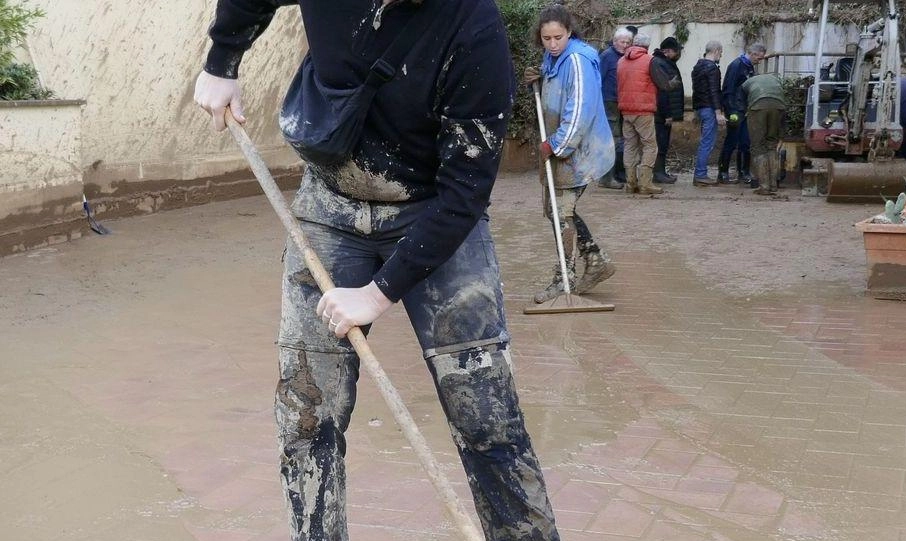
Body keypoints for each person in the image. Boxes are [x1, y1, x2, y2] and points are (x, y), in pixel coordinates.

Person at [193, 1, 562, 539]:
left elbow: (466, 191)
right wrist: (222, 61)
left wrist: (379, 291)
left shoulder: (474, 27)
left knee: (486, 416)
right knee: (306, 417)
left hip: (435, 211)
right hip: (329, 208)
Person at [524, 4, 616, 304]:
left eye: (558, 38)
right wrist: (537, 79)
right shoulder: (555, 59)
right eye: (546, 38)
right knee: (556, 211)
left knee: (561, 213)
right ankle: (596, 259)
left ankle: (564, 278)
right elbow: (553, 92)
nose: (552, 44)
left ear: (569, 33)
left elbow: (580, 109)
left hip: (578, 151)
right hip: (562, 149)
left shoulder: (577, 59)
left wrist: (557, 145)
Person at [617, 32, 680, 196]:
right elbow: (663, 84)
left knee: (630, 146)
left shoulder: (621, 61)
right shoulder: (649, 60)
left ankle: (631, 183)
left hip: (625, 109)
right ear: (647, 46)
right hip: (643, 110)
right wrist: (672, 83)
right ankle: (645, 183)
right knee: (650, 146)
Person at [718, 43, 767, 186]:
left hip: (745, 109)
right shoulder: (736, 66)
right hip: (736, 110)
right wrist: (731, 109)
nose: (760, 60)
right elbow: (728, 89)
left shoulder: (748, 66)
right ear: (752, 54)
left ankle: (743, 172)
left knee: (745, 142)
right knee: (731, 141)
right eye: (759, 57)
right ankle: (723, 172)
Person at [735, 72, 786, 196]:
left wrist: (745, 114)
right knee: (771, 145)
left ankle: (764, 186)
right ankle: (773, 185)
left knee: (757, 147)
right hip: (779, 106)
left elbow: (740, 102)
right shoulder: (775, 79)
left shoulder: (746, 83)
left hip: (758, 106)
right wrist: (782, 134)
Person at [597, 27, 634, 189]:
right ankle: (606, 178)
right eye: (622, 42)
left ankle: (618, 174)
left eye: (628, 42)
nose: (625, 45)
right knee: (611, 140)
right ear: (614, 41)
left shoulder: (628, 57)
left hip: (623, 102)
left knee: (622, 140)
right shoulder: (606, 56)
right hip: (609, 101)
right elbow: (597, 78)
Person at [690, 40, 728, 185]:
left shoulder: (697, 67)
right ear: (717, 50)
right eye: (721, 52)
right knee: (707, 143)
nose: (721, 55)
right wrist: (718, 113)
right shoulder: (712, 68)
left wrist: (695, 111)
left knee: (704, 142)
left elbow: (696, 90)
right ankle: (700, 174)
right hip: (709, 108)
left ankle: (700, 174)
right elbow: (714, 91)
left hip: (700, 107)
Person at [651, 36, 685, 184]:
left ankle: (660, 172)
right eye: (675, 51)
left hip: (663, 112)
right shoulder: (661, 64)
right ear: (667, 51)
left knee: (663, 143)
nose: (677, 55)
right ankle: (658, 173)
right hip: (661, 113)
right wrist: (668, 114)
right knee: (661, 143)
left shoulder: (665, 63)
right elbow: (663, 91)